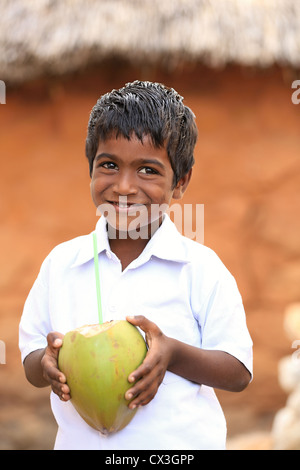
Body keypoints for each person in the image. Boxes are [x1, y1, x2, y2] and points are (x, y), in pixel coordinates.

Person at [19, 80, 253, 450]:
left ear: (181, 181)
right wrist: (46, 362)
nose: (124, 187)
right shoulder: (62, 264)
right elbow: (32, 356)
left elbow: (238, 371)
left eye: (148, 170)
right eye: (109, 165)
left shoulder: (199, 269)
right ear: (90, 169)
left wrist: (173, 354)